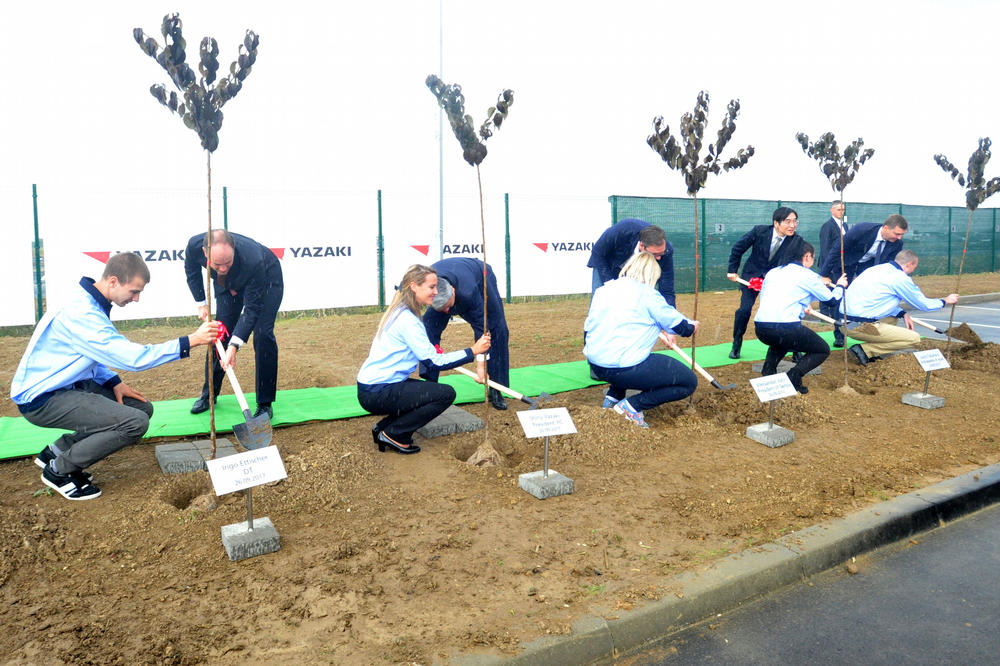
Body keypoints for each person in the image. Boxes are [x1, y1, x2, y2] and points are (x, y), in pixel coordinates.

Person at [11, 253, 219, 501]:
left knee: (140, 407)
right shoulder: (84, 313)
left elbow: (87, 353)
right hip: (43, 398)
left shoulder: (87, 301)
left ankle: (55, 451)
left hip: (65, 386)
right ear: (113, 281)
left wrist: (113, 382)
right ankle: (60, 470)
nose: (137, 298)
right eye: (133, 291)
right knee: (134, 423)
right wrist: (190, 341)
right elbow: (133, 358)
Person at [357, 265, 491, 454]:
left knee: (422, 393)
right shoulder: (408, 320)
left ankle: (384, 428)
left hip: (371, 387)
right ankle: (395, 434)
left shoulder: (400, 311)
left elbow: (427, 355)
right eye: (431, 287)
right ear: (414, 286)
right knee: (445, 394)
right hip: (377, 391)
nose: (436, 292)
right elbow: (434, 362)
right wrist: (473, 350)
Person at [583, 252, 699, 429]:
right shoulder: (648, 294)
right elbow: (682, 328)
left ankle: (612, 399)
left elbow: (591, 327)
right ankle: (631, 407)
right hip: (625, 366)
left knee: (622, 351)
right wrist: (693, 325)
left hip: (596, 364)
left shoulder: (604, 290)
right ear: (653, 275)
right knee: (688, 381)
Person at [184, 229, 283, 419]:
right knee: (219, 333)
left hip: (266, 279)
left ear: (234, 250)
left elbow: (252, 309)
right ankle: (209, 395)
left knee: (262, 333)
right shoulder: (194, 246)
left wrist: (234, 345)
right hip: (225, 284)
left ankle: (265, 403)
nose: (221, 268)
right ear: (205, 253)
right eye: (217, 264)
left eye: (227, 263)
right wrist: (201, 303)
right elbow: (192, 270)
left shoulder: (254, 259)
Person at [753, 243, 848, 394]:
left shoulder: (773, 272)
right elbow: (832, 301)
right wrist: (840, 286)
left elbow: (777, 297)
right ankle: (793, 377)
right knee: (822, 350)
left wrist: (802, 305)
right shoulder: (808, 275)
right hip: (786, 328)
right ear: (807, 257)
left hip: (761, 328)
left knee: (781, 341)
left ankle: (768, 371)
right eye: (813, 258)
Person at [841, 249, 958, 365]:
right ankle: (865, 350)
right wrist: (945, 301)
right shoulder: (899, 278)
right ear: (909, 264)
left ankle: (875, 352)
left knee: (892, 318)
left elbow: (875, 300)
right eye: (914, 267)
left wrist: (902, 313)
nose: (913, 270)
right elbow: (923, 304)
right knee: (914, 339)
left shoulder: (876, 269)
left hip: (844, 323)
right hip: (861, 326)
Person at [422, 257, 510, 410]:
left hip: (480, 275)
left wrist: (481, 366)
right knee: (428, 325)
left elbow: (481, 329)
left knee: (497, 327)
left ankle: (497, 388)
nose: (447, 313)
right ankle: (430, 386)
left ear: (453, 292)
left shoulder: (468, 292)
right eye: (442, 309)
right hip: (449, 279)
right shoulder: (424, 283)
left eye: (448, 307)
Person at [726, 207, 806, 359]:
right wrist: (732, 270)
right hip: (752, 278)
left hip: (776, 283)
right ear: (776, 223)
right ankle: (736, 344)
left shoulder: (797, 241)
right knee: (744, 311)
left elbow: (797, 265)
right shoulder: (759, 231)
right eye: (788, 222)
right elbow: (738, 248)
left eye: (795, 221)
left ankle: (795, 348)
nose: (792, 225)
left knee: (789, 313)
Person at [587, 219, 675, 306]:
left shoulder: (666, 251)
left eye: (661, 253)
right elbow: (598, 253)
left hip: (635, 271)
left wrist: (671, 317)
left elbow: (667, 290)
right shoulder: (623, 230)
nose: (659, 258)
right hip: (607, 264)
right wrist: (610, 284)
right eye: (655, 254)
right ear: (641, 246)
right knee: (600, 300)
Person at [820, 214, 907, 283]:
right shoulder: (862, 230)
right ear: (886, 228)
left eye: (901, 235)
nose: (899, 237)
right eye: (897, 234)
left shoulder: (897, 244)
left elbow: (889, 266)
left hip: (867, 266)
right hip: (846, 262)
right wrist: (824, 274)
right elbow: (837, 249)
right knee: (840, 294)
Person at [817, 200, 849, 347]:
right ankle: (838, 335)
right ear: (831, 210)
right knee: (834, 300)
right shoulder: (827, 227)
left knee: (840, 300)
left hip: (841, 269)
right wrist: (826, 270)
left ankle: (841, 331)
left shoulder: (845, 226)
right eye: (838, 210)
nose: (841, 212)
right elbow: (825, 249)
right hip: (830, 269)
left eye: (843, 209)